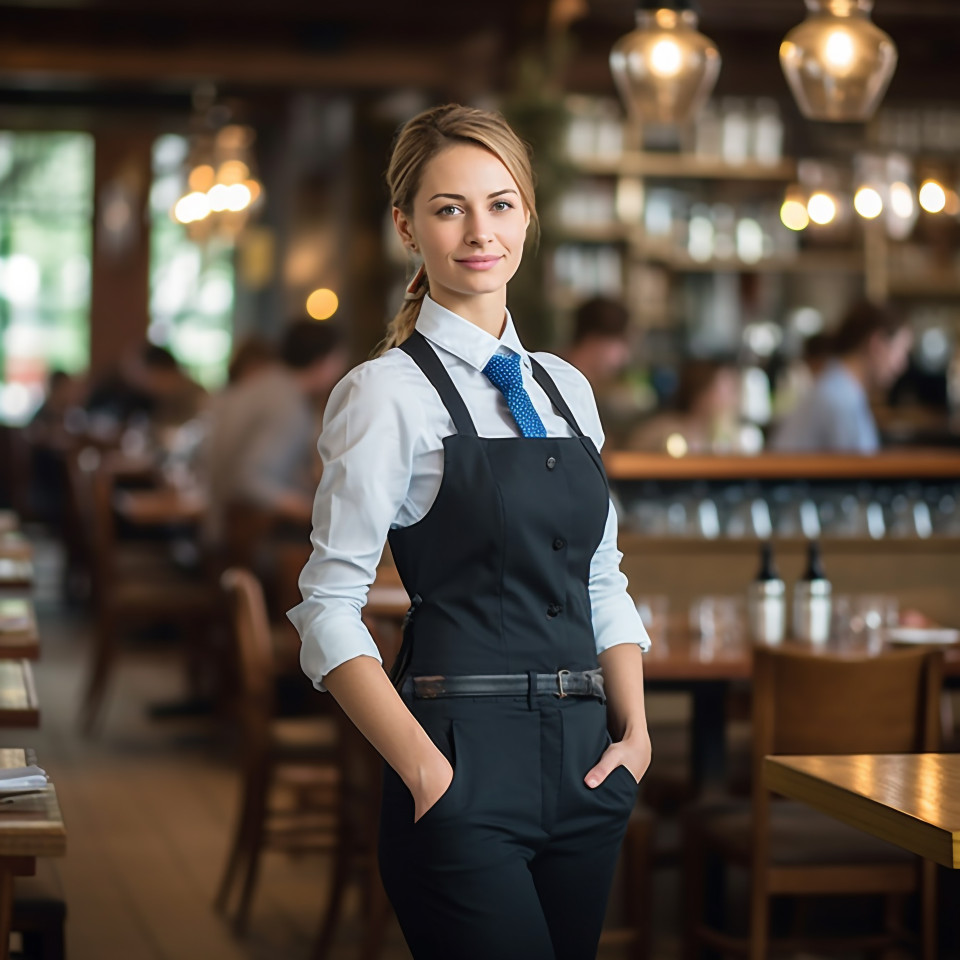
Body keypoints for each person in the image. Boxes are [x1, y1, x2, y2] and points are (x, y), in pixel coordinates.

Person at [287, 104, 651, 960]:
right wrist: (425, 774)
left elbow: (602, 580)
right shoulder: (385, 393)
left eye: (499, 203)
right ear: (408, 226)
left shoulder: (565, 387)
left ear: (528, 213)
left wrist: (633, 737)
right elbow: (326, 609)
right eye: (449, 208)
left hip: (588, 765)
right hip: (459, 768)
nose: (478, 231)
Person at [201, 320, 347, 547]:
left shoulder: (265, 384)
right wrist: (310, 509)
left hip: (219, 527)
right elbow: (248, 478)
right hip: (243, 542)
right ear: (323, 362)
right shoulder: (287, 405)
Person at [772, 300, 912, 453]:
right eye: (901, 351)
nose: (902, 365)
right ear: (877, 344)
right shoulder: (839, 399)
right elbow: (860, 470)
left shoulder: (840, 389)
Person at [628, 358, 741, 453]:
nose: (733, 399)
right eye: (726, 390)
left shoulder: (728, 439)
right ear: (699, 393)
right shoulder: (661, 430)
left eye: (734, 390)